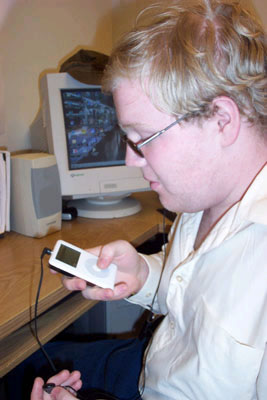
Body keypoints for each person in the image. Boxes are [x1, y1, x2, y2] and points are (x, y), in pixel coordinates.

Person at [30, 0, 266, 398]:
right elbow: (193, 291)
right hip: (153, 366)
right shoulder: (203, 195)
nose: (129, 159)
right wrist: (142, 274)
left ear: (222, 120)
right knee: (36, 361)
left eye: (143, 139)